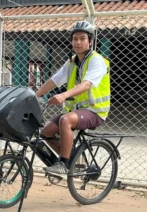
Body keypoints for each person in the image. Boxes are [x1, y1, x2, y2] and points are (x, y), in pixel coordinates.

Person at [35, 20, 110, 175]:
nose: (78, 42)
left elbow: (86, 84)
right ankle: (72, 156)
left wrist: (64, 95)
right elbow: (55, 80)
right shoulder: (72, 62)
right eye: (75, 39)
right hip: (78, 111)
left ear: (90, 41)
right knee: (45, 132)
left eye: (82, 38)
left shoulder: (97, 60)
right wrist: (34, 95)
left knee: (65, 120)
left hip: (95, 111)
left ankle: (63, 164)